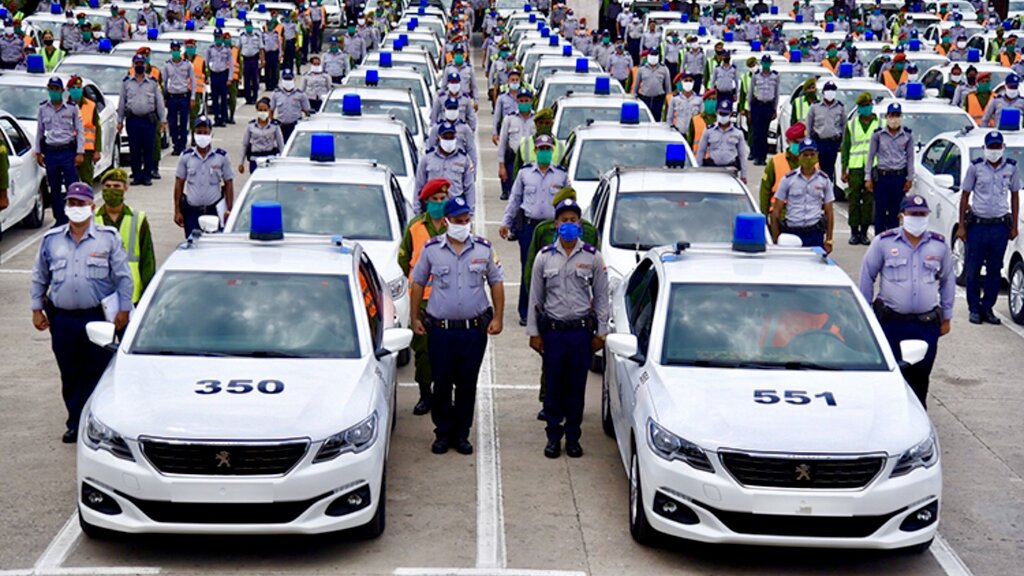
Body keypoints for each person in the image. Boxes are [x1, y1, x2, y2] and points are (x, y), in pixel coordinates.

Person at [30, 182, 133, 443]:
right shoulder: (51, 240)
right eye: (71, 203)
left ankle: (95, 424)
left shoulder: (107, 238)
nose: (76, 208)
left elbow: (123, 277)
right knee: (70, 371)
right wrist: (36, 309)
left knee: (97, 371)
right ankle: (75, 421)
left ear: (92, 206)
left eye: (81, 203)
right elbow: (40, 276)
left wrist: (124, 309)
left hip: (97, 317)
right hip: (62, 319)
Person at [409, 196, 504, 455]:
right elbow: (417, 282)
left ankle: (461, 434)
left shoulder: (484, 249)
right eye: (458, 221)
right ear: (447, 221)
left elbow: (496, 282)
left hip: (473, 330)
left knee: (466, 384)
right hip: (440, 330)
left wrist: (498, 317)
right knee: (441, 383)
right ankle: (442, 433)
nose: (463, 225)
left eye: (467, 220)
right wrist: (415, 316)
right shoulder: (431, 250)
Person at [527, 198, 609, 459]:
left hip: (580, 333)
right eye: (564, 220)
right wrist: (534, 333)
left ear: (580, 224)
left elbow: (602, 297)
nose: (569, 224)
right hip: (553, 332)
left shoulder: (593, 258)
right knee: (553, 386)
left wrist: (601, 332)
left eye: (574, 220)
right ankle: (553, 436)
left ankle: (573, 437)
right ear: (556, 224)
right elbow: (535, 299)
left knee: (576, 387)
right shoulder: (544, 258)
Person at [860, 195, 954, 408]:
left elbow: (948, 280)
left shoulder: (939, 245)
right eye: (913, 214)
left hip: (926, 324)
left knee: (921, 377)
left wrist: (947, 316)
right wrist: (866, 316)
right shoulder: (883, 242)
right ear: (902, 216)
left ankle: (918, 418)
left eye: (922, 214)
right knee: (892, 375)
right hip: (892, 323)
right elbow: (867, 275)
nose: (918, 218)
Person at [500, 134, 569, 325]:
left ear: (552, 151)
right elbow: (515, 199)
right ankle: (525, 311)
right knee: (528, 268)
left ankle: (548, 309)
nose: (544, 152)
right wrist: (506, 222)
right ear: (535, 151)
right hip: (529, 227)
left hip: (551, 229)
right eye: (541, 149)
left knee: (552, 268)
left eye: (548, 149)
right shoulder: (525, 173)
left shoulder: (561, 175)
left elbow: (569, 203)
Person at [398, 178, 450, 416]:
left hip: (449, 300)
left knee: (446, 351)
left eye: (443, 199)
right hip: (423, 300)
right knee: (423, 351)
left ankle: (443, 394)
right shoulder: (415, 227)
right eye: (435, 200)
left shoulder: (454, 226)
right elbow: (404, 259)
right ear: (426, 202)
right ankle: (425, 394)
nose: (439, 203)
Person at [959, 130, 1020, 325]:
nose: (994, 150)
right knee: (973, 269)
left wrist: (1014, 226)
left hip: (999, 227)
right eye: (990, 147)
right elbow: (965, 195)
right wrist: (961, 226)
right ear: (985, 148)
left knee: (995, 270)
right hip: (977, 226)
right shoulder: (975, 168)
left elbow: (1016, 195)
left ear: (1003, 148)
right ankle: (974, 308)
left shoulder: (1011, 168)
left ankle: (988, 308)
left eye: (997, 147)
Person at [94, 168, 155, 304]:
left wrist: (148, 294)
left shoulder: (138, 219)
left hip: (131, 294)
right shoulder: (92, 219)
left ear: (125, 188)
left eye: (116, 186)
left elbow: (148, 261)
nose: (112, 190)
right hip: (99, 295)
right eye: (108, 186)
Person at [173, 116, 235, 238]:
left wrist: (229, 209)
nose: (202, 136)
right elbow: (179, 184)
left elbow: (229, 183)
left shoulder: (221, 157)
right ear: (194, 133)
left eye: (205, 132)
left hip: (213, 211)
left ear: (211, 134)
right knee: (192, 247)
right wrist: (177, 211)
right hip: (192, 212)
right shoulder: (186, 157)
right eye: (199, 132)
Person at [771, 139, 835, 251]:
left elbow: (829, 212)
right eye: (805, 155)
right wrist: (776, 239)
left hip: (814, 233)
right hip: (792, 232)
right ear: (799, 156)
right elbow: (776, 212)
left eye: (812, 154)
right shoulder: (788, 180)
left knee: (815, 267)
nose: (809, 158)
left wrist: (829, 240)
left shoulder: (824, 180)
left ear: (817, 155)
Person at [36, 76, 84, 226]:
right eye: (51, 89)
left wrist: (80, 152)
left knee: (72, 187)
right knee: (54, 188)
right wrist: (38, 152)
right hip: (51, 153)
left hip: (67, 152)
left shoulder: (72, 108)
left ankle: (75, 217)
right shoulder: (43, 108)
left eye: (56, 89)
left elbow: (80, 130)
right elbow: (39, 131)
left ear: (62, 90)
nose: (54, 92)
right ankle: (60, 219)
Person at [118, 54, 166, 187]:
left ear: (145, 65)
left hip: (148, 121)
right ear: (133, 65)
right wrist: (120, 120)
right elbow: (122, 101)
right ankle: (137, 175)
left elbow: (159, 102)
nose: (139, 66)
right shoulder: (127, 82)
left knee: (148, 148)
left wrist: (163, 120)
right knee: (135, 149)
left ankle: (147, 176)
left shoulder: (152, 82)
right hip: (133, 120)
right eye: (137, 63)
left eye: (141, 63)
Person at [866, 102, 914, 234]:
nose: (895, 118)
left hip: (899, 177)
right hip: (882, 178)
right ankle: (879, 241)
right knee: (880, 212)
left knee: (895, 213)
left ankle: (893, 242)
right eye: (892, 115)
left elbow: (910, 158)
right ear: (887, 116)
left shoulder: (907, 135)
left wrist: (910, 178)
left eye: (897, 115)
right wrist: (868, 177)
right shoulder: (878, 135)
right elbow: (870, 156)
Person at [841, 92, 880, 245]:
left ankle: (864, 233)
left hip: (873, 167)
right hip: (855, 166)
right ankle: (854, 232)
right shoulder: (852, 124)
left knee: (869, 201)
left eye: (868, 105)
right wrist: (844, 168)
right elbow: (846, 147)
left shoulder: (879, 124)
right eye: (863, 106)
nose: (866, 108)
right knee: (854, 200)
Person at [415, 123, 476, 211]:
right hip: (433, 207)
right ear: (439, 138)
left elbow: (469, 188)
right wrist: (418, 211)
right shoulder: (427, 159)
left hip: (455, 207)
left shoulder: (464, 159)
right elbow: (419, 186)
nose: (449, 140)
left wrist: (470, 213)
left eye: (451, 137)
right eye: (445, 138)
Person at [760, 121, 806, 217]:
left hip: (806, 217)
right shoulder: (775, 162)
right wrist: (764, 216)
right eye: (796, 142)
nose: (799, 146)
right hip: (780, 216)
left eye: (802, 142)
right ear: (788, 141)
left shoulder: (814, 163)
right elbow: (765, 191)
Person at [696, 100, 748, 183]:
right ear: (717, 113)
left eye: (725, 114)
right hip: (713, 170)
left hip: (731, 171)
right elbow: (701, 151)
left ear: (730, 114)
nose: (723, 116)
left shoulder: (738, 132)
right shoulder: (709, 130)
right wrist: (698, 170)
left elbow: (742, 155)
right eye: (721, 113)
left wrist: (744, 175)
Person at [64, 76, 102, 187]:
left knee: (86, 181)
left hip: (87, 150)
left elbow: (97, 128)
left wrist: (97, 150)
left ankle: (88, 203)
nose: (76, 90)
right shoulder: (64, 106)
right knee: (71, 180)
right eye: (74, 87)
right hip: (69, 149)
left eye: (79, 87)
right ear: (69, 90)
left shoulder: (91, 105)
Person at [497, 89, 535, 200]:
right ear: (517, 102)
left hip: (530, 161)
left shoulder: (536, 120)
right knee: (514, 193)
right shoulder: (509, 119)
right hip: (513, 160)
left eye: (526, 100)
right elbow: (502, 143)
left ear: (531, 101)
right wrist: (501, 166)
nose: (524, 103)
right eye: (521, 101)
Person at [805, 80, 845, 185]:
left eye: (832, 90)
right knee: (819, 167)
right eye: (828, 90)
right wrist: (809, 141)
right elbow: (809, 124)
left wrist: (842, 142)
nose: (830, 93)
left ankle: (828, 189)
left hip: (833, 142)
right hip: (819, 142)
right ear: (823, 92)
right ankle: (818, 188)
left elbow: (844, 125)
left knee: (830, 169)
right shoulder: (815, 107)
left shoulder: (840, 107)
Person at [164, 41, 197, 156]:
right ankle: (175, 144)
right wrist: (164, 97)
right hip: (172, 96)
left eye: (177, 49)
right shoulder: (167, 65)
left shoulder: (187, 64)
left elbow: (193, 81)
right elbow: (164, 82)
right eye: (173, 49)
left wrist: (192, 97)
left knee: (183, 122)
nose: (175, 52)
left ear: (180, 50)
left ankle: (182, 145)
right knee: (172, 123)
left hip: (184, 96)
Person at [748, 55, 780, 166]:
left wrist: (775, 109)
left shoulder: (775, 76)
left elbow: (777, 93)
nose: (766, 65)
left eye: (768, 63)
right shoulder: (756, 76)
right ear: (761, 64)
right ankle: (757, 157)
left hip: (768, 106)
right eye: (764, 63)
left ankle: (763, 157)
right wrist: (750, 109)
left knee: (765, 133)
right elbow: (751, 92)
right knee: (757, 132)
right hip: (758, 105)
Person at [238, 98, 284, 174]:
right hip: (255, 160)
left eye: (265, 110)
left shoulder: (274, 126)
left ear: (269, 110)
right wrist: (241, 162)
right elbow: (244, 144)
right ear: (257, 110)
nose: (262, 112)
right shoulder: (251, 125)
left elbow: (280, 145)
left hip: (269, 159)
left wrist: (282, 161)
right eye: (260, 110)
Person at [270, 69, 311, 143]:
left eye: (289, 79)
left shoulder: (300, 94)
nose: (288, 81)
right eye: (286, 79)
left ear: (293, 79)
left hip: (296, 125)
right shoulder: (276, 94)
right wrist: (272, 123)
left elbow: (307, 111)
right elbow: (271, 110)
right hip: (281, 126)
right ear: (282, 80)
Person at [206, 30, 235, 126]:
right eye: (216, 36)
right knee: (214, 98)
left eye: (219, 36)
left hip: (223, 75)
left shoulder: (226, 49)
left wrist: (230, 78)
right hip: (214, 74)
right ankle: (216, 118)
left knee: (223, 98)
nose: (217, 38)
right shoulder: (210, 49)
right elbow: (207, 63)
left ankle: (223, 118)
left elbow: (231, 64)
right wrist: (207, 76)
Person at [633, 49, 671, 122]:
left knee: (656, 120)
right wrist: (634, 96)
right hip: (645, 99)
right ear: (648, 56)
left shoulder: (664, 69)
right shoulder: (642, 69)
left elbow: (668, 87)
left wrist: (667, 101)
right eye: (652, 55)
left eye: (655, 55)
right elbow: (636, 86)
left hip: (658, 100)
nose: (653, 57)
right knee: (643, 120)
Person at [239, 20, 265, 106]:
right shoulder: (242, 37)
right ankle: (248, 98)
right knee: (246, 80)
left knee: (255, 79)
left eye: (249, 25)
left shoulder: (257, 36)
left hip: (254, 59)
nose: (248, 27)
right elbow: (239, 49)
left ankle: (254, 97)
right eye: (247, 26)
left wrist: (262, 60)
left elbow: (261, 49)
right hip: (245, 60)